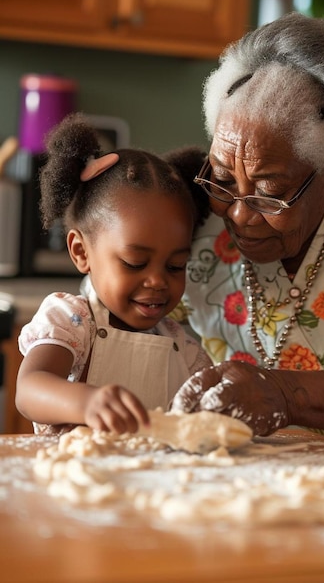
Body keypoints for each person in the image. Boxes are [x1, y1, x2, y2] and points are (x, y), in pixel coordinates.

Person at [169, 11, 324, 448]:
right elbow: (97, 323)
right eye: (224, 180)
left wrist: (284, 392)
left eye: (269, 193)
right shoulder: (188, 206)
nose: (240, 216)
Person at [16, 113, 212, 436]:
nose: (158, 281)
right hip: (73, 481)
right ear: (81, 252)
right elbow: (29, 389)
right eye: (135, 263)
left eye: (176, 265)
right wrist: (87, 402)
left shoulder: (184, 350)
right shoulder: (72, 323)